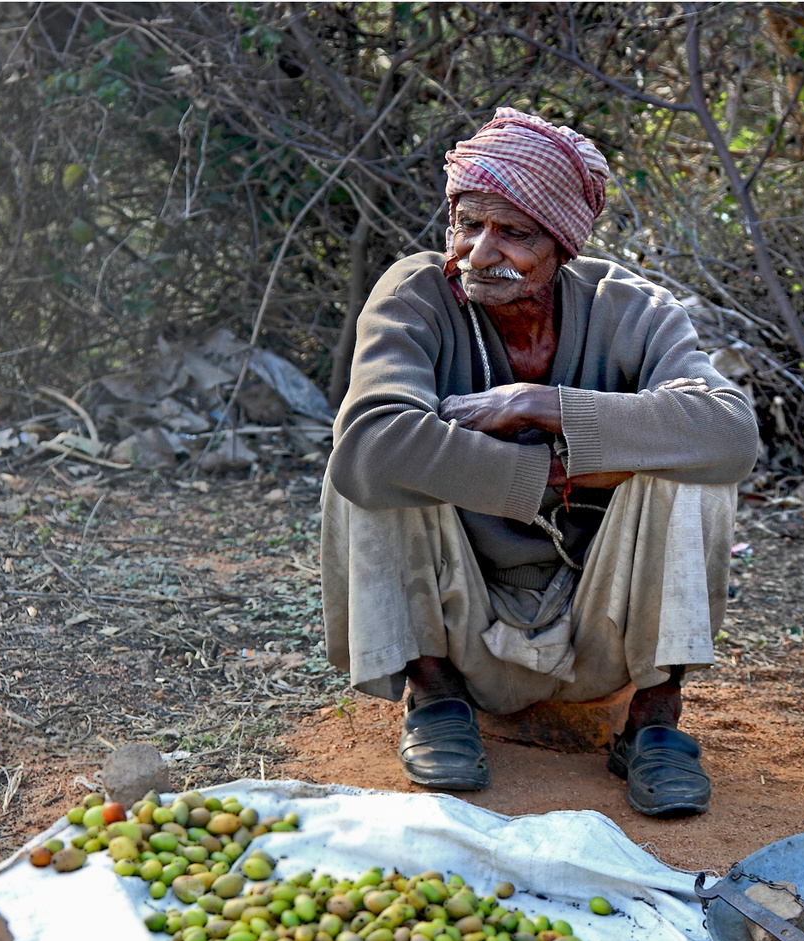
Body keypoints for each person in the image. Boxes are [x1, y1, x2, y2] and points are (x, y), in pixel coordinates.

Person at [320, 109, 758, 818]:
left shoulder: (633, 309)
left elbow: (732, 433)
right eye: (467, 224)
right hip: (462, 624)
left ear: (561, 246)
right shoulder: (416, 294)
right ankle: (433, 698)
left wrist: (543, 405)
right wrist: (553, 476)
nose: (478, 252)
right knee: (367, 456)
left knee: (693, 470)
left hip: (600, 625)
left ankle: (653, 721)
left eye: (513, 234)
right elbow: (372, 445)